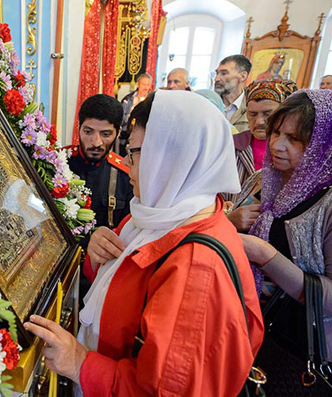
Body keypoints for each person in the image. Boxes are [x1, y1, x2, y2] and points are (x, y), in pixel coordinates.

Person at [25, 90, 264, 396]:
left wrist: (79, 362)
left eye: (135, 153)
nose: (126, 162)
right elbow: (124, 284)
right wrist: (96, 256)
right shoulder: (157, 215)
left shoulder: (196, 268)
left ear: (171, 159)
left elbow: (166, 391)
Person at [233, 89, 332, 395]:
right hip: (242, 326)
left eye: (295, 139)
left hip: (294, 347)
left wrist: (266, 256)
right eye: (277, 132)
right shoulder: (265, 178)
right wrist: (230, 220)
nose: (277, 145)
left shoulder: (327, 203)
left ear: (322, 145)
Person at [224, 79, 297, 204]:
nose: (259, 121)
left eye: (268, 114)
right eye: (252, 114)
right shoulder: (233, 144)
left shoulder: (295, 150)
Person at [67, 94, 134, 230]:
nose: (96, 142)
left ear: (118, 132)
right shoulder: (57, 162)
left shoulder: (126, 176)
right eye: (88, 132)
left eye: (105, 134)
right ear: (79, 127)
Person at [215, 55, 252, 133]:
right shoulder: (210, 103)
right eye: (217, 73)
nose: (217, 79)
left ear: (242, 76)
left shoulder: (252, 107)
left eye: (224, 73)